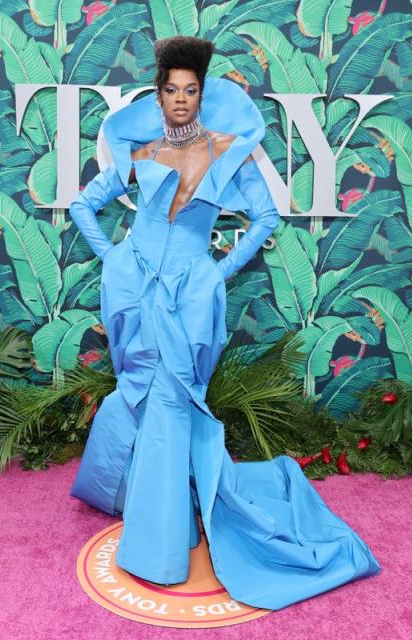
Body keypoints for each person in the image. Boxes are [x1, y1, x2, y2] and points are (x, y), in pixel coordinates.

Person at [67, 35, 381, 611]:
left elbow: (265, 217)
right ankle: (145, 504)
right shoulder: (140, 154)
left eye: (190, 90)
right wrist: (113, 257)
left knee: (170, 399)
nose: (180, 100)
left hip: (188, 299)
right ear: (158, 97)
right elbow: (82, 205)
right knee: (141, 391)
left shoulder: (226, 152)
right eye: (171, 90)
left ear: (200, 94)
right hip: (136, 294)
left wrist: (215, 273)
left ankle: (156, 550)